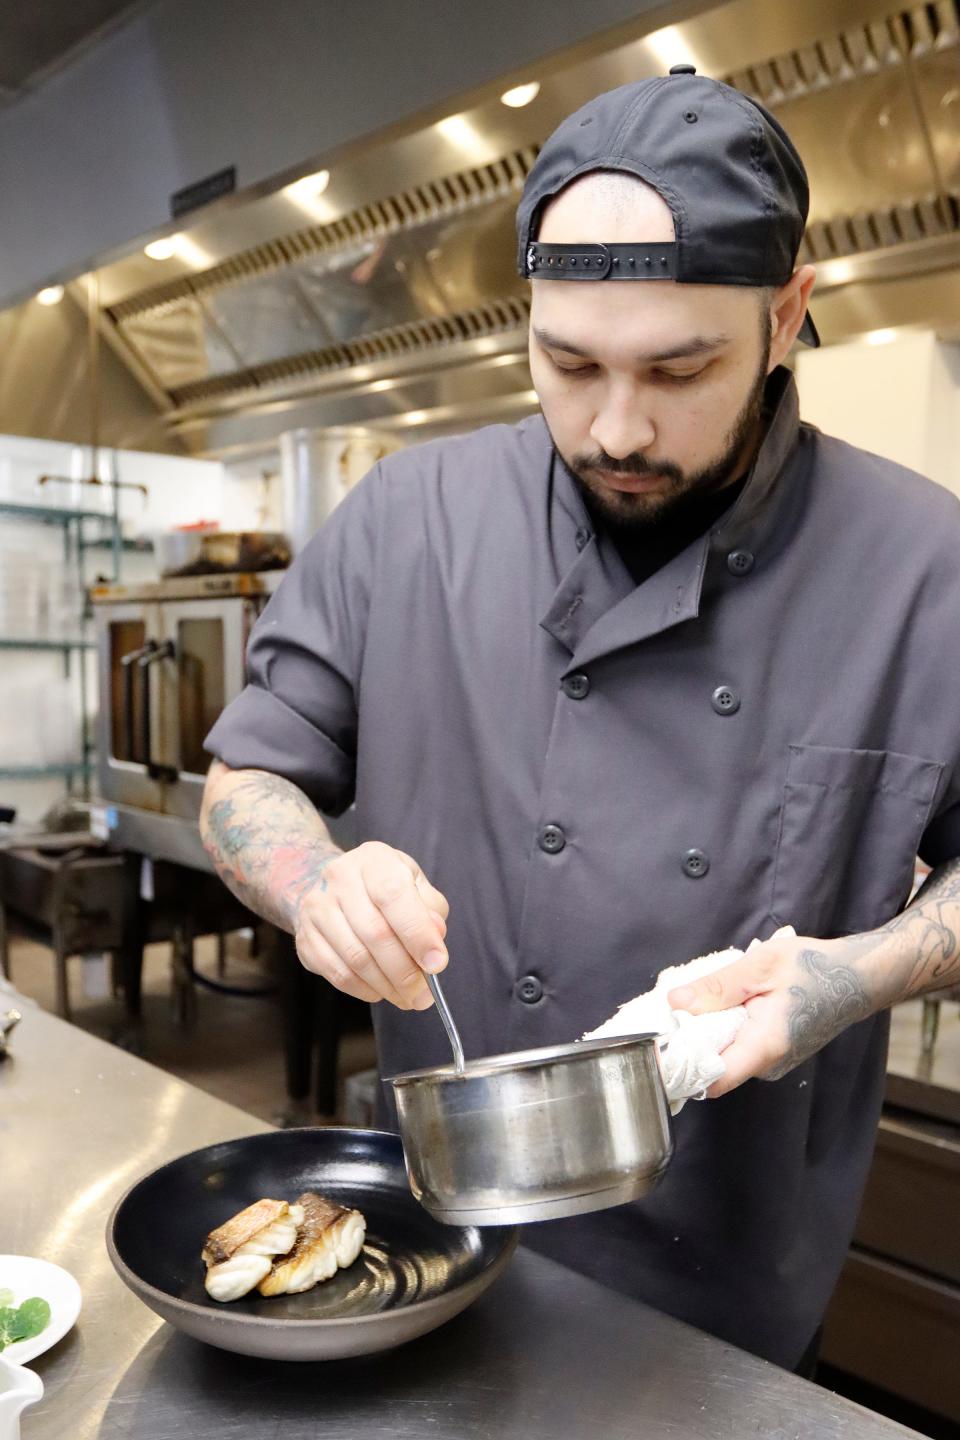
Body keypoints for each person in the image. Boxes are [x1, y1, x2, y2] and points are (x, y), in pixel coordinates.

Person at [201, 67, 960, 1372]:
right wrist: (315, 877)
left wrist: (861, 974)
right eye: (568, 363)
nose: (616, 426)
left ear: (788, 317)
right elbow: (246, 776)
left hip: (732, 1294)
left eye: (681, 368)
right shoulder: (407, 521)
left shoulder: (923, 567)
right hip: (428, 1244)